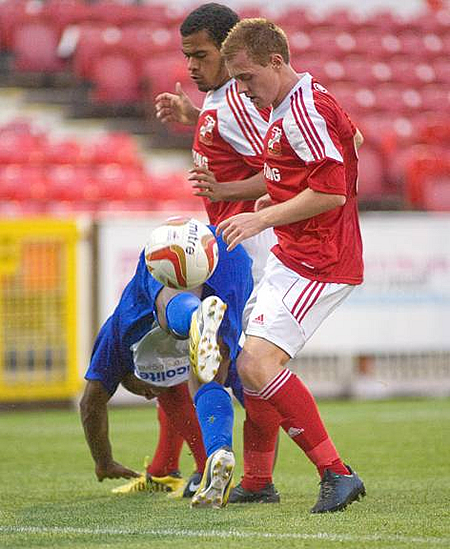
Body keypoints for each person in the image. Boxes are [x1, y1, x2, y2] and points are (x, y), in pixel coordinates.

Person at [216, 18, 366, 513]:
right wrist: (275, 200)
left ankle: (337, 473)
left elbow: (331, 190)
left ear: (276, 62)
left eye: (247, 77)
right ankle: (258, 481)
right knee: (250, 366)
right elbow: (350, 141)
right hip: (292, 254)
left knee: (258, 364)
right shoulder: (292, 104)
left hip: (319, 260)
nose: (243, 89)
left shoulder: (302, 107)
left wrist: (265, 219)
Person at [154, 3, 282, 505]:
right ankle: (247, 472)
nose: (190, 66)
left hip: (241, 245)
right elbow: (232, 150)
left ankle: (235, 468)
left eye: (200, 55)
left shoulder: (235, 102)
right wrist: (193, 117)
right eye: (186, 56)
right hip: (228, 242)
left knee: (220, 363)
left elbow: (279, 170)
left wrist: (227, 193)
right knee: (225, 363)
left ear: (229, 54)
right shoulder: (219, 101)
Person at [80, 221, 253, 509]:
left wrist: (104, 462)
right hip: (228, 253)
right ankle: (219, 454)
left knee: (166, 306)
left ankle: (191, 317)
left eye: (145, 387)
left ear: (128, 372)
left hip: (183, 251)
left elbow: (90, 404)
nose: (149, 394)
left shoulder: (116, 337)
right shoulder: (200, 349)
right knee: (227, 376)